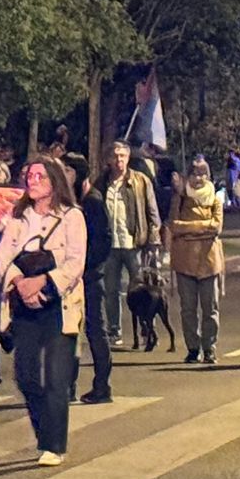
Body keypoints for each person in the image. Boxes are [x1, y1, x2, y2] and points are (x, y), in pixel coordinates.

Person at [0, 157, 87, 467]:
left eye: (39, 176)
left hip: (59, 308)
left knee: (56, 379)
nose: (32, 181)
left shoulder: (72, 217)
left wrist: (44, 284)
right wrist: (20, 283)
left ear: (54, 182)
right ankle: (43, 431)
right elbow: (2, 258)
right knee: (26, 376)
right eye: (29, 176)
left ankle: (54, 444)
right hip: (24, 308)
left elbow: (75, 264)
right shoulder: (18, 218)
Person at [92, 141, 161, 348]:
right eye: (115, 156)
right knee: (111, 290)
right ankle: (115, 331)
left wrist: (153, 240)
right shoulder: (102, 183)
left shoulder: (141, 181)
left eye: (123, 155)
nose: (119, 160)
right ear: (109, 159)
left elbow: (152, 212)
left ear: (128, 158)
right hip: (110, 246)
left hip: (135, 244)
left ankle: (147, 330)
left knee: (143, 291)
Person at [166, 155, 224, 365]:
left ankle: (210, 348)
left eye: (203, 174)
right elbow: (175, 226)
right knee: (188, 308)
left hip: (209, 261)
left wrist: (189, 229)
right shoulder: (180, 199)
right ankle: (193, 348)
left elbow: (216, 227)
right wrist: (202, 227)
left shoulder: (215, 200)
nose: (198, 178)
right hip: (184, 261)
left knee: (211, 308)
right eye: (194, 174)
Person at [69, 158, 115, 405]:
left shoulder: (93, 202)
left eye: (68, 171)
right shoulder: (72, 202)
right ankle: (69, 385)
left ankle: (102, 385)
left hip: (90, 277)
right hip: (71, 278)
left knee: (96, 330)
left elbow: (103, 241)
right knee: (69, 332)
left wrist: (85, 265)